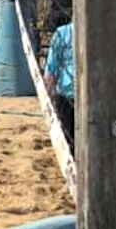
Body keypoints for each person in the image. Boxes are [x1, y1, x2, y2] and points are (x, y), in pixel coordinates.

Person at [44, 21, 76, 154]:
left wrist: (48, 95)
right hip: (68, 93)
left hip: (67, 92)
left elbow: (52, 68)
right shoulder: (62, 33)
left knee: (68, 139)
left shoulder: (62, 32)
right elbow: (52, 67)